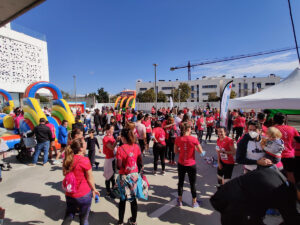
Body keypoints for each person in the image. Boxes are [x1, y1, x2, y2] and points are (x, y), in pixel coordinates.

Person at [210, 167, 300, 225]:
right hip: (234, 205)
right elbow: (292, 220)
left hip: (228, 197)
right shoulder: (285, 193)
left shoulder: (278, 174)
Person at [61, 138, 100, 225]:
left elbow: (64, 174)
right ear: (81, 148)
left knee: (69, 216)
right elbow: (90, 178)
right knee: (84, 219)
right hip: (83, 195)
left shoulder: (68, 159)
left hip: (70, 194)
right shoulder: (85, 160)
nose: (86, 145)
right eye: (85, 144)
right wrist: (94, 189)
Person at [116, 128, 143, 225]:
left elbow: (118, 166)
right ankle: (133, 220)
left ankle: (120, 221)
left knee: (122, 199)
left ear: (123, 137)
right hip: (134, 176)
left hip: (124, 176)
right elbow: (140, 161)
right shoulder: (136, 146)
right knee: (133, 200)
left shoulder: (120, 148)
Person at [174, 123, 205, 208]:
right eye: (190, 128)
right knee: (192, 183)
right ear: (188, 129)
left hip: (181, 163)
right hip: (191, 164)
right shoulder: (194, 139)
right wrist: (193, 147)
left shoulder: (178, 139)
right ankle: (194, 202)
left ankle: (180, 201)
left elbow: (175, 151)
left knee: (180, 182)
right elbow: (201, 152)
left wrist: (182, 149)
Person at [273, 112, 300, 184]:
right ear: (284, 120)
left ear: (273, 120)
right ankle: (292, 192)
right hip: (290, 155)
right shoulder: (292, 128)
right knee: (290, 174)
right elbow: (298, 139)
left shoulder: (272, 129)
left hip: (276, 156)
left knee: (276, 175)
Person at [102, 124, 118, 198]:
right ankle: (108, 192)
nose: (113, 130)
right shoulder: (105, 138)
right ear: (107, 130)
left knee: (113, 175)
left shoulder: (111, 136)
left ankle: (113, 189)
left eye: (113, 129)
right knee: (108, 176)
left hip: (113, 158)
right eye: (111, 129)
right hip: (109, 159)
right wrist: (117, 140)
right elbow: (111, 147)